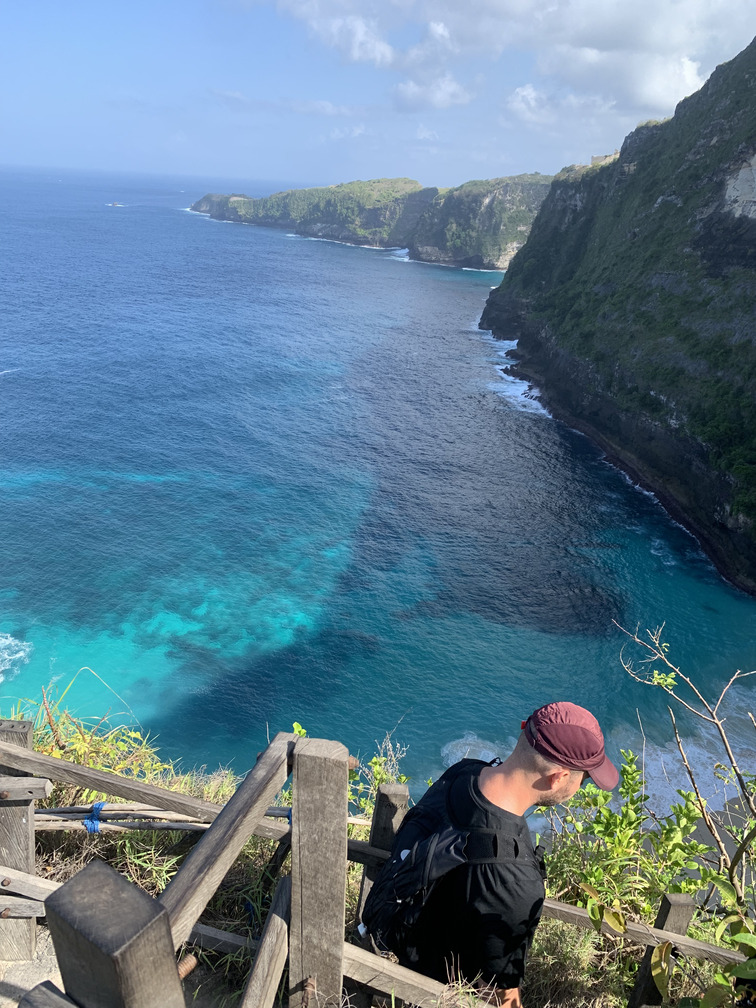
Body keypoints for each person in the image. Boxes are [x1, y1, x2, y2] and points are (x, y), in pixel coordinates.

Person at [375, 701, 618, 1007]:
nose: (581, 786)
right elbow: (499, 989)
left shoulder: (463, 773)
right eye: (583, 779)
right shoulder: (515, 882)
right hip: (421, 987)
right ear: (558, 776)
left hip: (392, 925)